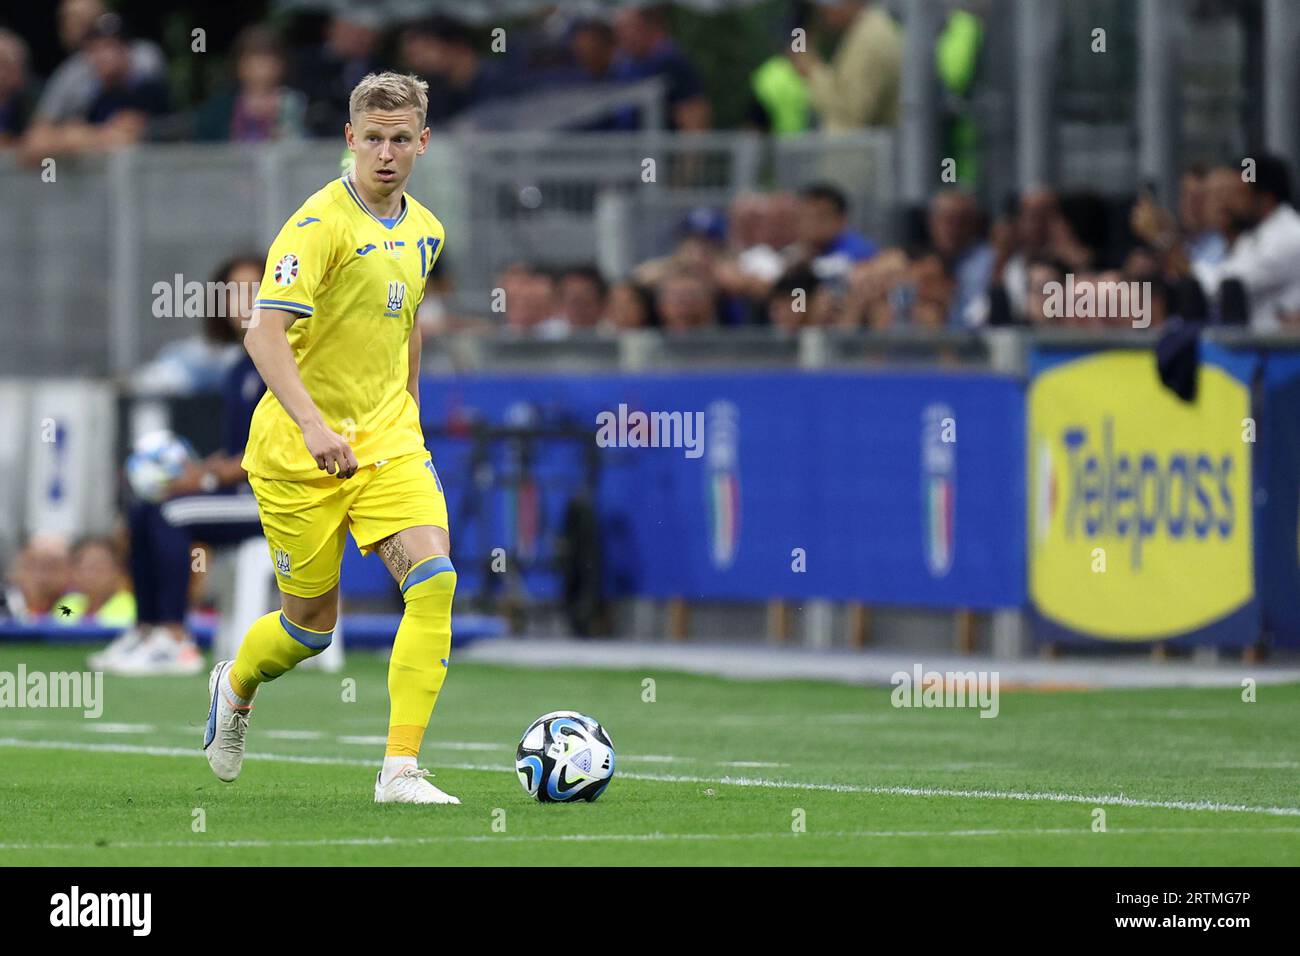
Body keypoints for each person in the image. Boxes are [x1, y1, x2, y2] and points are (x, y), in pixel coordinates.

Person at [204, 72, 459, 807]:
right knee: (310, 627)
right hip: (296, 454)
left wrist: (409, 414)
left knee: (434, 580)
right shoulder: (318, 225)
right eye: (372, 139)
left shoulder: (427, 231)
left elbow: (406, 324)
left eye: (400, 140)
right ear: (350, 139)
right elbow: (263, 332)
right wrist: (315, 427)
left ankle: (400, 770)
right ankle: (237, 683)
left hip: (386, 446)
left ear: (422, 143)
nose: (386, 154)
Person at [92, 255, 267, 676]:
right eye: (232, 292)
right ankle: (147, 628)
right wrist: (199, 470)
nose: (242, 301)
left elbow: (276, 450)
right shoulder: (240, 365)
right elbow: (239, 450)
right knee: (145, 507)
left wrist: (205, 476)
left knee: (170, 514)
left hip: (275, 499)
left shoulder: (285, 358)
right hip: (241, 491)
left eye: (253, 289)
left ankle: (176, 639)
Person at [789, 0, 900, 129]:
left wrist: (811, 70)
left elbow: (848, 114)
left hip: (870, 145)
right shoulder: (866, 30)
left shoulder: (870, 39)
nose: (822, 13)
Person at [54, 537, 135, 628]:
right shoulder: (67, 604)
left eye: (99, 566)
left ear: (118, 570)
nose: (91, 575)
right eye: (85, 567)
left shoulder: (132, 605)